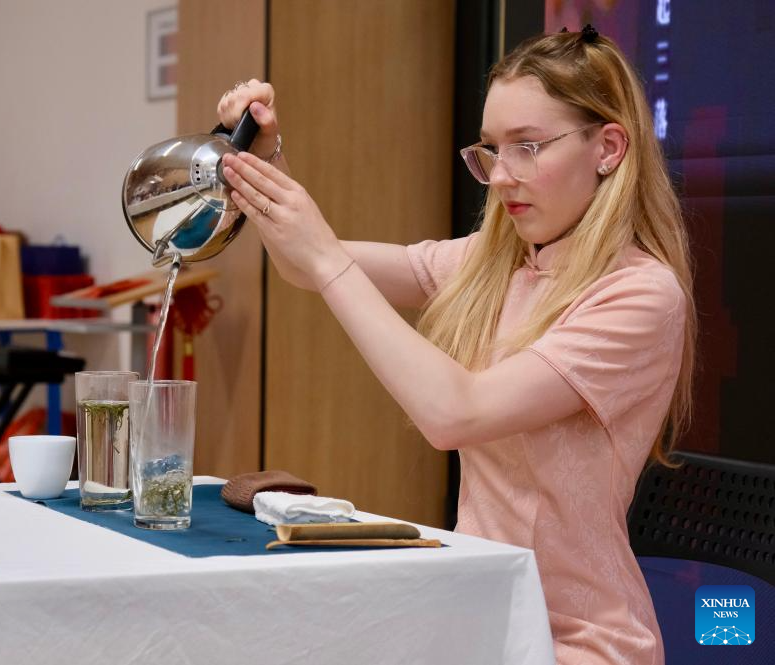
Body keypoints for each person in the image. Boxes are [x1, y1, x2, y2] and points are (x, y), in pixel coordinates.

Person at [216, 24, 695, 665]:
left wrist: (324, 256)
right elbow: (305, 266)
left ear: (608, 147)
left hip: (577, 641)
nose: (502, 177)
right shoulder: (495, 262)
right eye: (493, 150)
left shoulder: (640, 295)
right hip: (481, 614)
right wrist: (265, 161)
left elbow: (455, 412)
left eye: (528, 147)